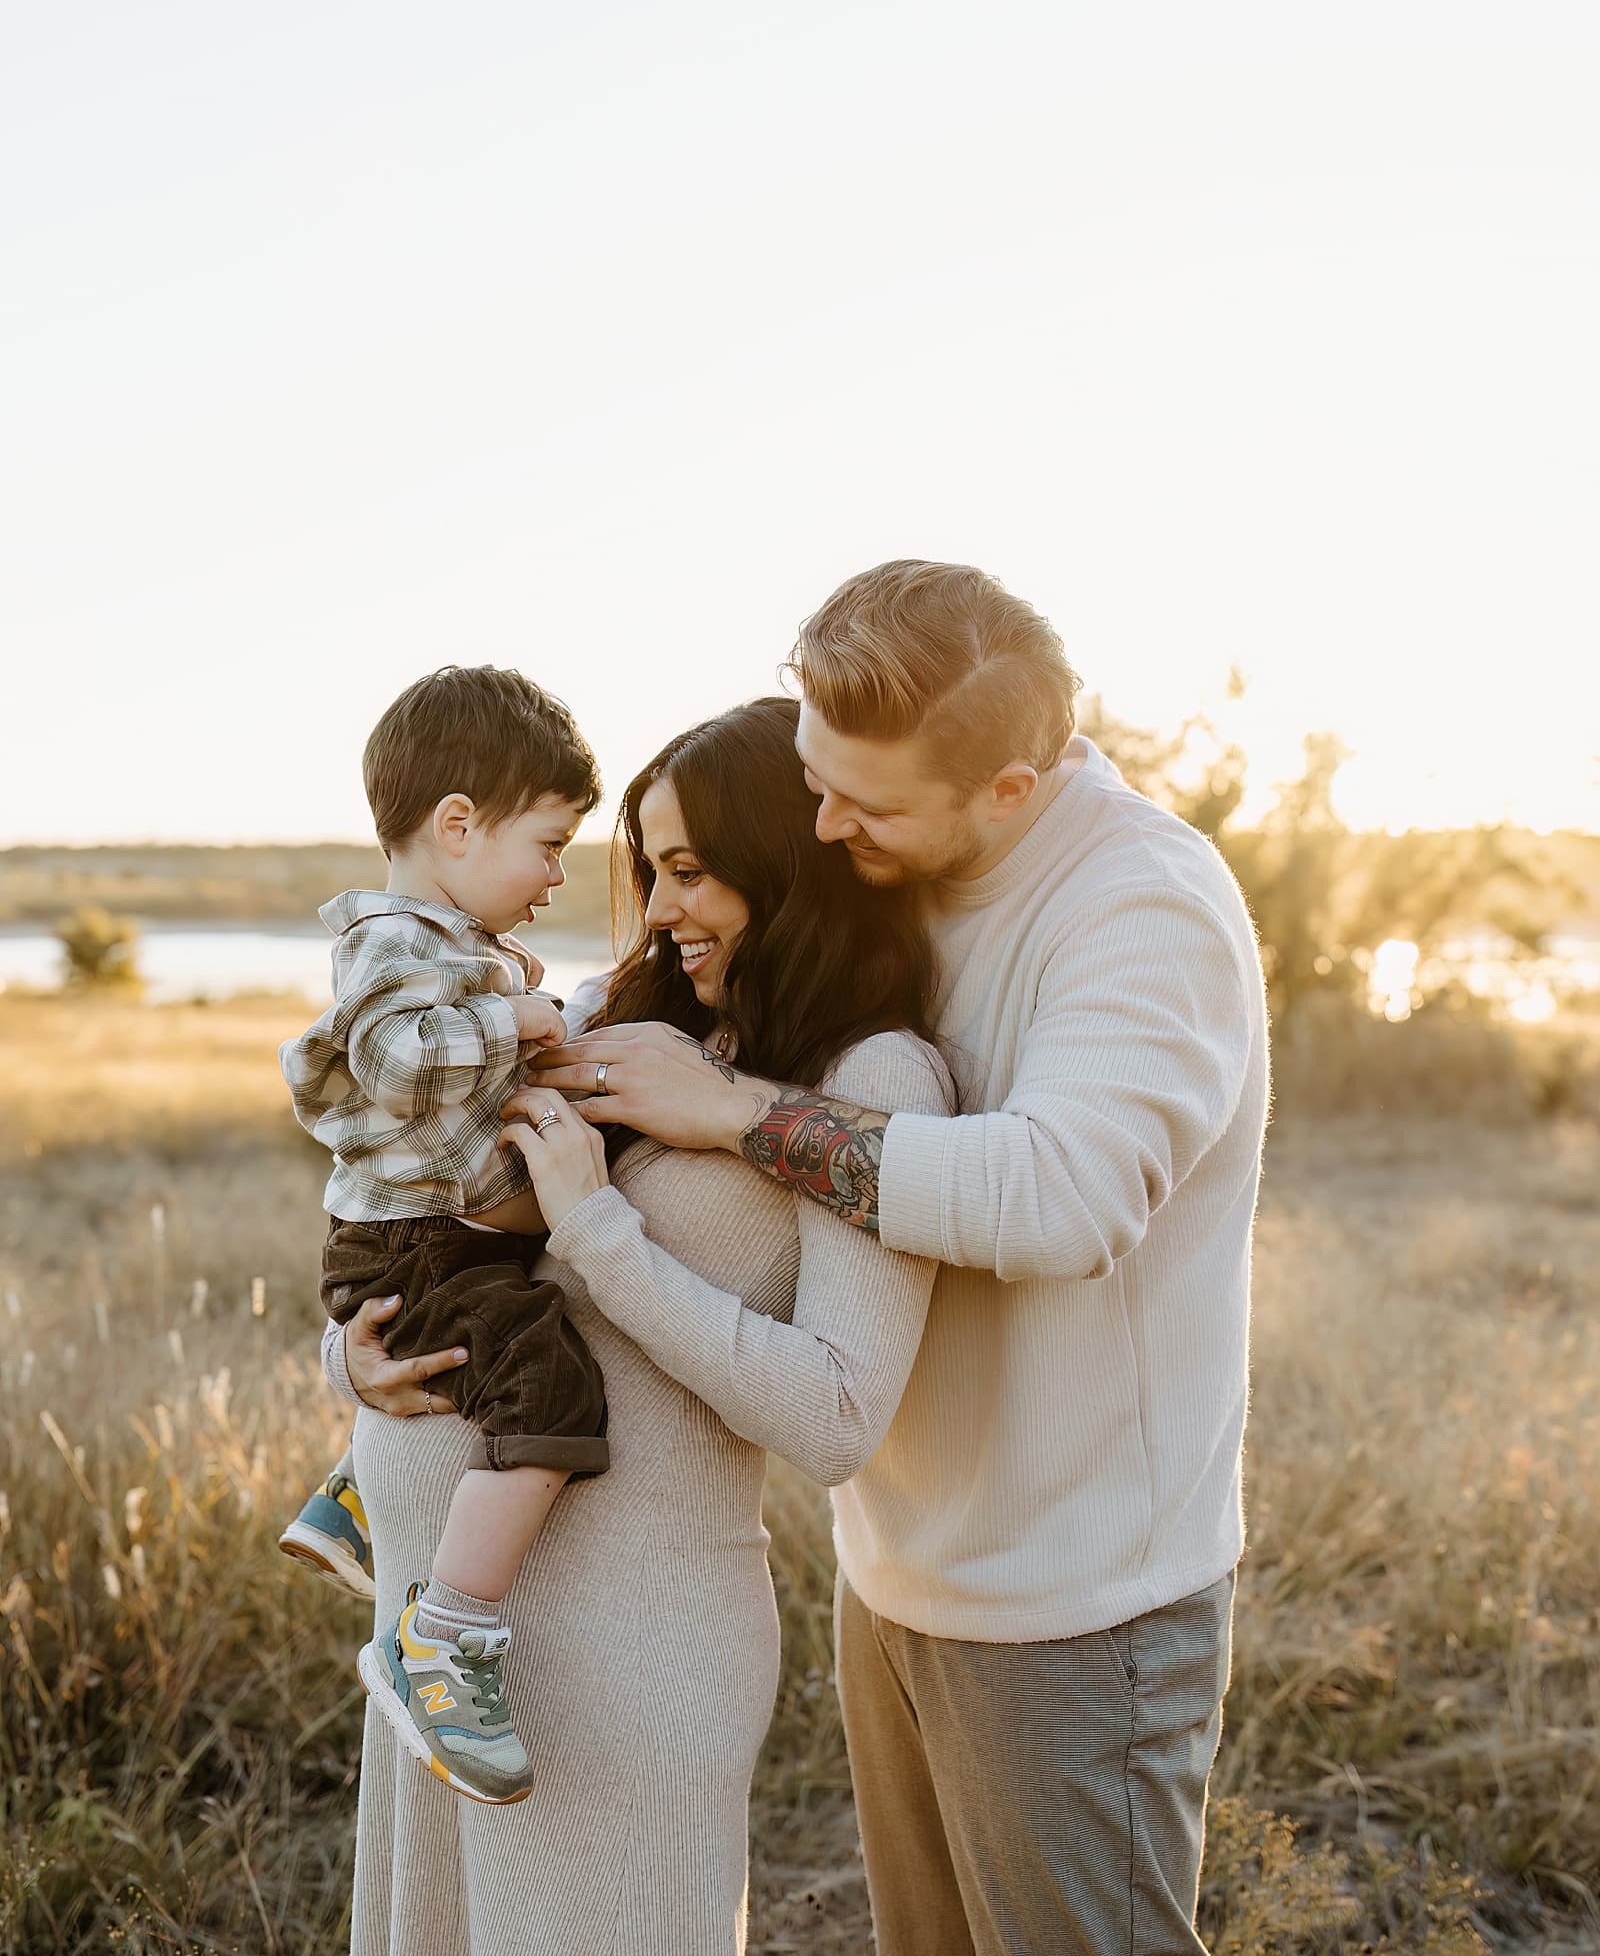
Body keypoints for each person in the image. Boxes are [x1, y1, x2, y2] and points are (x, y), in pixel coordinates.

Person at [531, 561, 1272, 1956]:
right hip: (900, 1561)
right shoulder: (905, 863)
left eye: (861, 802)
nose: (823, 823)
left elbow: (1060, 1197)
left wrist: (744, 1117)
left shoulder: (1138, 906)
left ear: (1009, 783)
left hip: (1075, 1594)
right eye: (816, 778)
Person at [324, 695, 954, 1955]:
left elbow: (835, 1416)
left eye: (689, 871)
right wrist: (351, 1353)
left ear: (787, 865)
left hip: (630, 1656)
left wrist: (601, 1228)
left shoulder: (869, 1079)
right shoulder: (624, 1014)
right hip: (444, 1656)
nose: (657, 907)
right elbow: (434, 1208)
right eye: (647, 868)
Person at [278, 665, 610, 1806]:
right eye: (552, 843)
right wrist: (515, 1016)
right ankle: (444, 1637)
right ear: (458, 824)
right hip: (414, 1244)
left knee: (487, 1348)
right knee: (551, 1388)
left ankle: (361, 1494)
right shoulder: (398, 942)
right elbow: (395, 1058)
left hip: (430, 1234)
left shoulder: (443, 936)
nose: (560, 875)